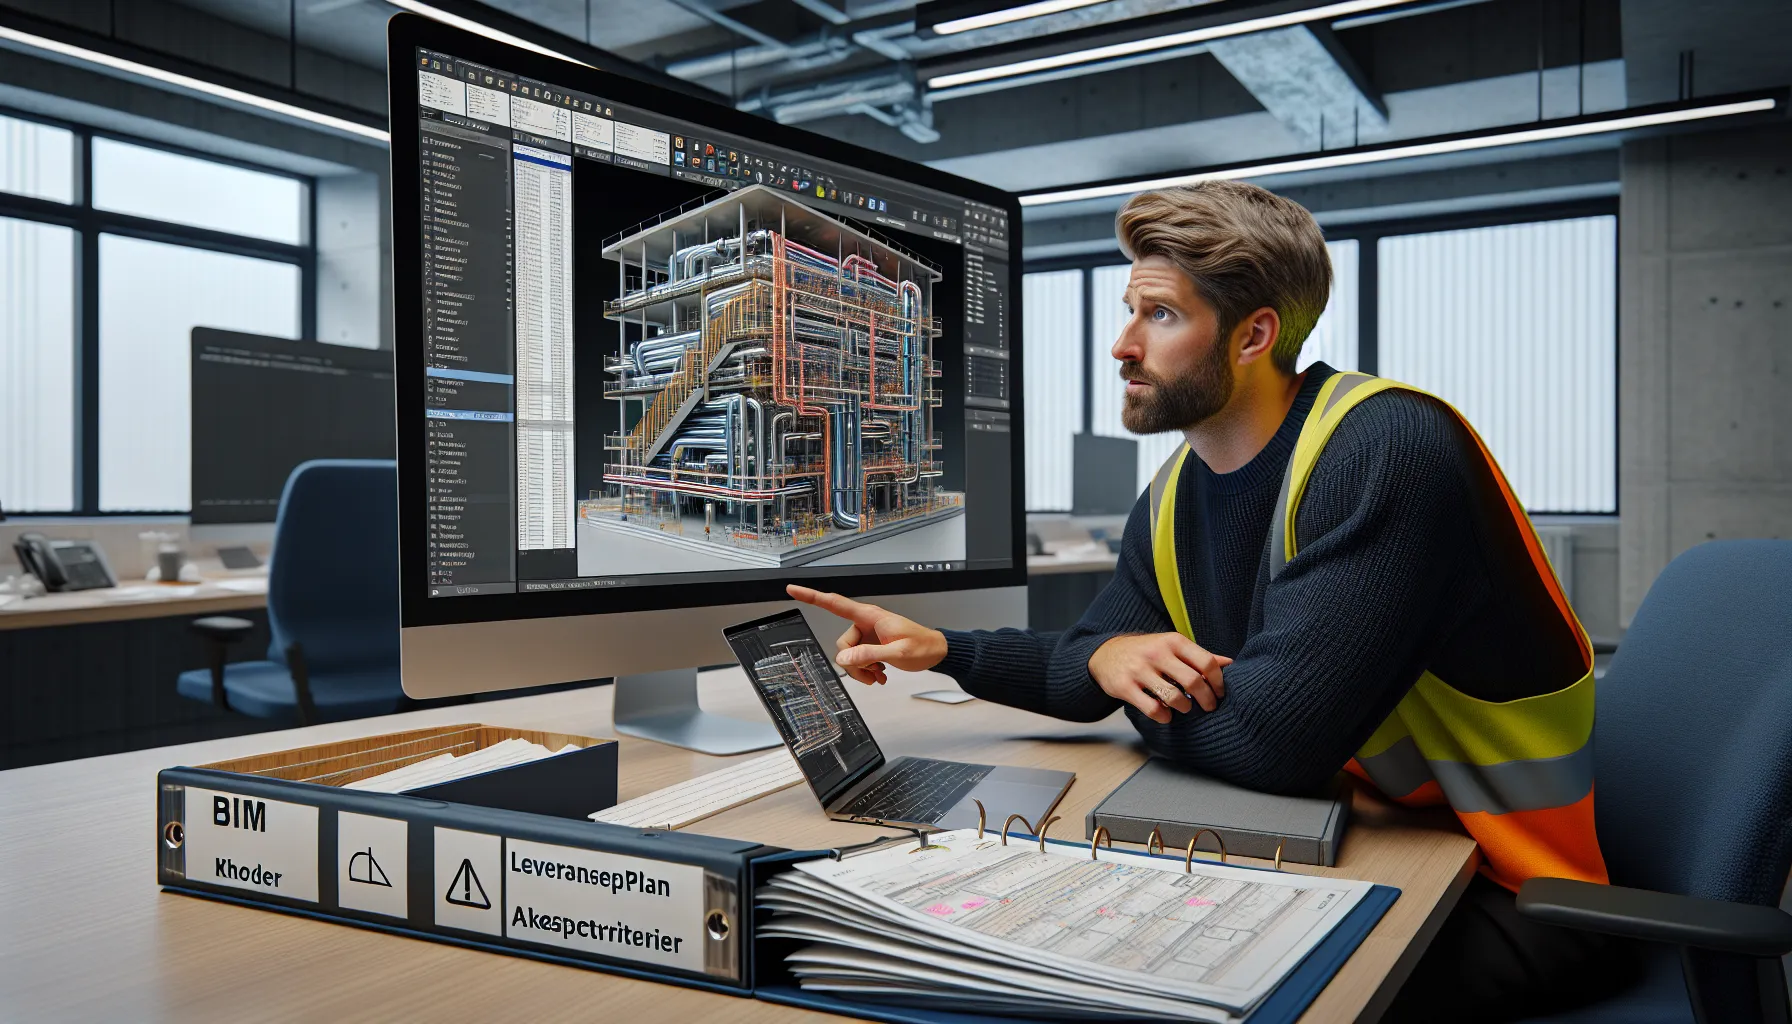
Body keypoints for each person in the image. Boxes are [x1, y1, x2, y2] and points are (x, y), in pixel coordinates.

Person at [788, 181, 1637, 1021]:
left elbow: (1268, 744)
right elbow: (1090, 665)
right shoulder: (1173, 496)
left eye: (1158, 315)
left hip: (1505, 892)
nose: (1122, 345)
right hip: (1359, 836)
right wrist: (951, 649)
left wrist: (1120, 681)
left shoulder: (1387, 449)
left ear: (1252, 335)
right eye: (1129, 311)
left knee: (1105, 978)